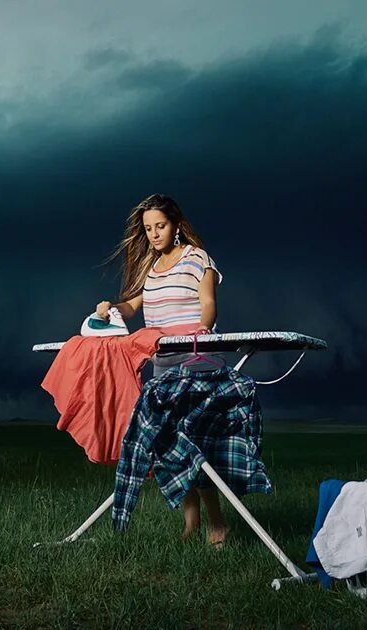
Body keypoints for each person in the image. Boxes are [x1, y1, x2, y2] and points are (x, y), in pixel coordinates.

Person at [96, 193, 230, 549]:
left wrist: (198, 336)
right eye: (149, 229)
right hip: (161, 367)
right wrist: (110, 310)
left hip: (196, 362)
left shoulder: (197, 259)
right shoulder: (150, 270)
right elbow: (132, 306)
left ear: (175, 224)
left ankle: (217, 522)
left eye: (161, 226)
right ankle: (190, 522)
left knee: (193, 444)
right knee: (167, 446)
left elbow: (208, 305)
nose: (155, 234)